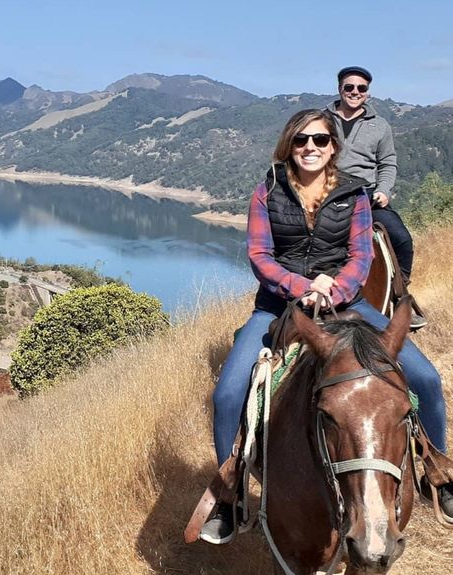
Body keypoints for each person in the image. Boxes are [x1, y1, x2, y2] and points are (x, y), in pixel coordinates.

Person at [199, 108, 450, 545]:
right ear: (288, 145)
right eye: (301, 140)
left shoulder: (353, 195)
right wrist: (300, 287)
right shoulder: (268, 192)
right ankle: (231, 493)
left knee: (426, 377)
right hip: (278, 306)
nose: (310, 148)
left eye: (319, 140)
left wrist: (332, 292)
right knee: (227, 393)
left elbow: (361, 255)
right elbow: (260, 256)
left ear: (333, 146)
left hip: (347, 304)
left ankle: (438, 472)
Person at [325, 66, 426, 329]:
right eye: (349, 87)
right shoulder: (321, 120)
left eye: (361, 88)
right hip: (326, 194)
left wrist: (383, 190)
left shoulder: (380, 125)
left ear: (368, 93)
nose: (355, 92)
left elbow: (388, 162)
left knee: (401, 239)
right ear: (340, 89)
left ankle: (401, 296)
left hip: (365, 195)